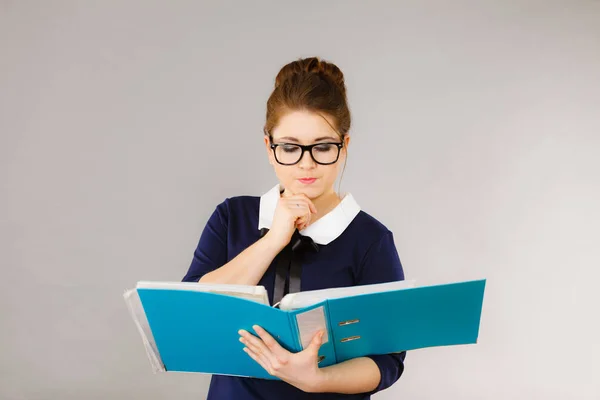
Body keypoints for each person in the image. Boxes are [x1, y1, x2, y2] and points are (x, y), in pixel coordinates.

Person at [182, 56, 406, 399]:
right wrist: (274, 239)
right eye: (289, 147)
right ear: (269, 148)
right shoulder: (233, 217)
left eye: (323, 147)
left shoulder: (370, 240)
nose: (306, 162)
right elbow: (190, 314)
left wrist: (319, 381)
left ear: (344, 147)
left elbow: (388, 360)